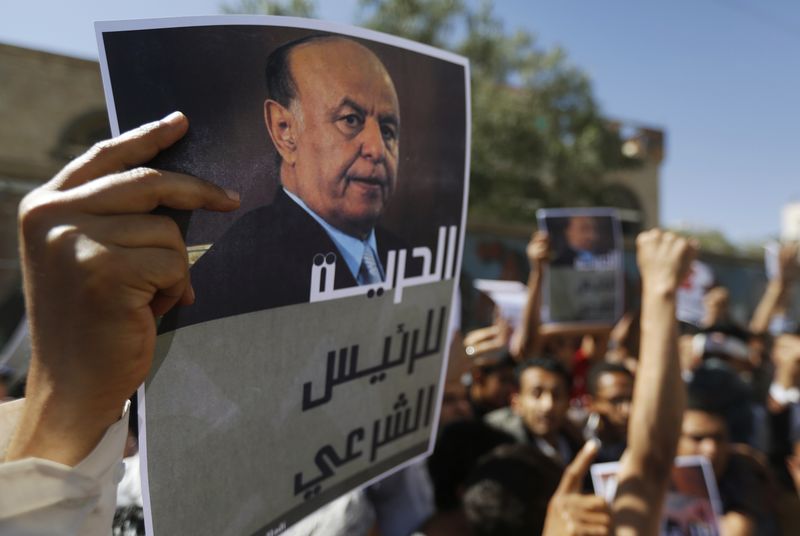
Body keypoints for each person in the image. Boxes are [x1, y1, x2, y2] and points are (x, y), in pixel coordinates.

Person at [170, 34, 408, 329]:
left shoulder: (412, 258)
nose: (377, 149)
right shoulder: (234, 276)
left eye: (387, 130)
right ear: (284, 130)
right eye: (350, 119)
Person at [485, 358, 582, 466]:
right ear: (516, 402)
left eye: (557, 395)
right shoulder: (501, 452)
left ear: (568, 403)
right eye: (536, 393)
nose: (548, 405)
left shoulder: (580, 446)